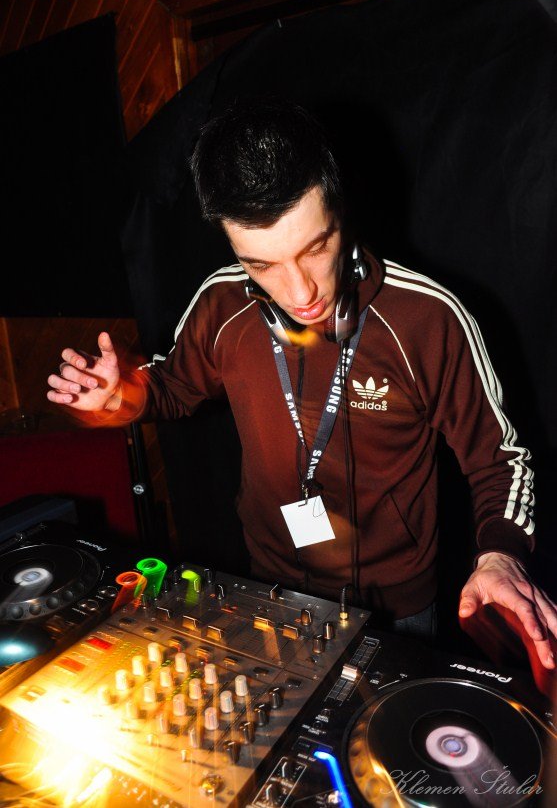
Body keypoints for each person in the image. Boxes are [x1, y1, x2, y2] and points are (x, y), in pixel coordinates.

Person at [47, 97, 556, 668]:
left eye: (315, 248)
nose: (300, 292)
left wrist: (500, 555)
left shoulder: (427, 319)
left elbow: (499, 459)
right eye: (261, 266)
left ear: (342, 214)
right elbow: (173, 386)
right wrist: (123, 394)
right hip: (271, 589)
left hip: (400, 609)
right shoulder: (222, 303)